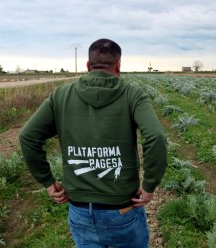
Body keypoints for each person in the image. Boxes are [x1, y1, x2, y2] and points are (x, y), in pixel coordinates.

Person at [19, 38, 168, 247]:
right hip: (122, 210)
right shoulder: (133, 95)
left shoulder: (61, 96)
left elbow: (28, 136)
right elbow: (156, 136)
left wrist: (47, 181)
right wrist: (150, 185)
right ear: (118, 66)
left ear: (88, 66)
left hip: (80, 212)